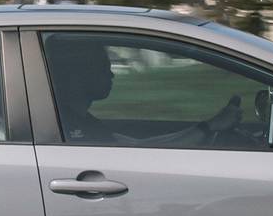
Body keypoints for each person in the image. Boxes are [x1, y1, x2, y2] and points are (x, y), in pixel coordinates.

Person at [48, 38, 242, 146]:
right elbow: (140, 151)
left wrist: (207, 127)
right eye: (103, 67)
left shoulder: (78, 121)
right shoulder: (71, 126)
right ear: (78, 72)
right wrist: (209, 128)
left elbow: (141, 145)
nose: (112, 74)